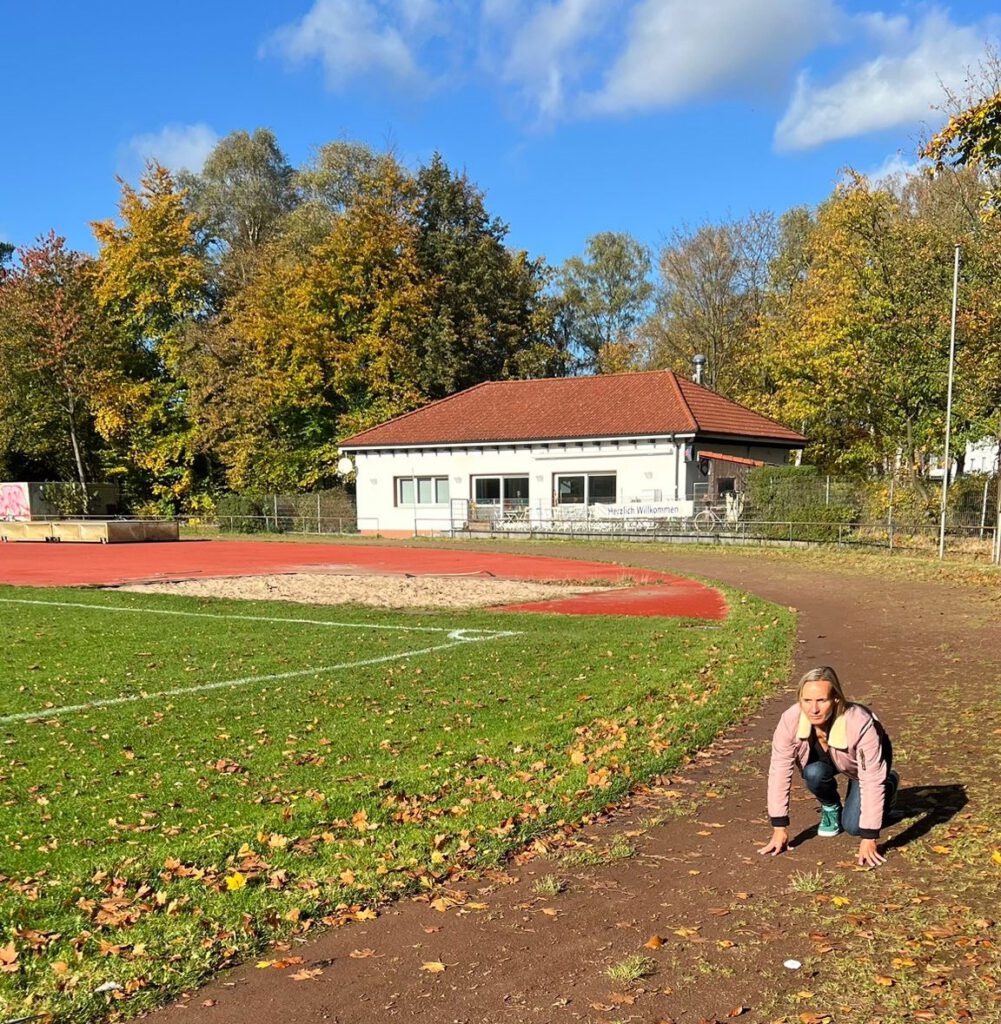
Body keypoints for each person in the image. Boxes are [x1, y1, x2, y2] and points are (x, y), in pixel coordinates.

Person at [759, 666, 899, 867]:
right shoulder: (790, 720)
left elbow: (870, 780)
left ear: (836, 699)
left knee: (853, 827)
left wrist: (869, 837)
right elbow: (779, 771)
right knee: (813, 773)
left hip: (863, 767)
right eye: (807, 701)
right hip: (827, 762)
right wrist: (779, 826)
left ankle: (890, 784)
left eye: (821, 700)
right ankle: (830, 807)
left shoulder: (859, 723)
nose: (813, 709)